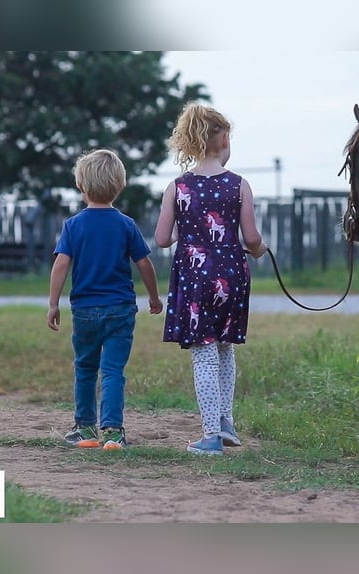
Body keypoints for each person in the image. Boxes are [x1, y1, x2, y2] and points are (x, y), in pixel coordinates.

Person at [155, 102, 267, 456]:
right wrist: (261, 248)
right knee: (224, 347)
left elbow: (161, 239)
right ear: (224, 140)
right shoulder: (240, 186)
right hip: (232, 276)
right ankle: (225, 423)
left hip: (195, 279)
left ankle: (210, 437)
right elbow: (251, 239)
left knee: (203, 353)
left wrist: (184, 233)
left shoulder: (178, 188)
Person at [48, 148, 163, 451]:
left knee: (85, 368)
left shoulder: (74, 225)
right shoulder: (125, 224)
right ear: (120, 185)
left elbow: (61, 264)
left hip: (84, 310)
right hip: (120, 310)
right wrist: (153, 297)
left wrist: (53, 303)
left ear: (81, 186)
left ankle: (85, 430)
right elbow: (144, 264)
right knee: (112, 371)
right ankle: (112, 432)